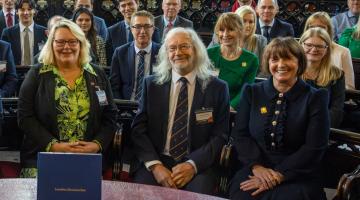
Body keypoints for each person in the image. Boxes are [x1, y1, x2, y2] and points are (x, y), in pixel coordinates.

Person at [131, 27, 230, 195]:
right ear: (166, 53)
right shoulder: (152, 84)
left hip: (198, 163)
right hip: (158, 159)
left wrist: (192, 165)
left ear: (196, 50)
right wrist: (155, 166)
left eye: (184, 46)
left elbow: (220, 135)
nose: (178, 52)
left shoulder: (218, 88)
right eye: (172, 48)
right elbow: (138, 130)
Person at [229, 37, 329, 200]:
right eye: (274, 59)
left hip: (299, 174)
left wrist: (279, 175)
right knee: (242, 193)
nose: (281, 65)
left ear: (299, 62)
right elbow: (240, 135)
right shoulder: (252, 92)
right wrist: (257, 167)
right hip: (255, 169)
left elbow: (315, 146)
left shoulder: (316, 98)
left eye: (288, 58)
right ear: (268, 63)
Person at [17, 19, 117, 178]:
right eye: (60, 41)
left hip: (88, 158)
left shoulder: (97, 75)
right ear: (51, 43)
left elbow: (110, 116)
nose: (66, 47)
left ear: (81, 44)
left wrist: (96, 145)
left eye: (72, 41)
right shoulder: (36, 74)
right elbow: (25, 117)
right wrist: (54, 146)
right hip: (42, 156)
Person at [207, 13, 259, 110]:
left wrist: (229, 107)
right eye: (222, 30)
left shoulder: (251, 60)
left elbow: (245, 89)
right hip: (207, 106)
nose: (225, 34)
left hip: (233, 110)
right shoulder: (208, 54)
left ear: (240, 31)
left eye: (230, 29)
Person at [300, 27, 345, 128]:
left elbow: (336, 110)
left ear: (327, 49)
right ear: (301, 45)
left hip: (323, 128)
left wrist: (318, 128)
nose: (314, 49)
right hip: (294, 126)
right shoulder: (292, 69)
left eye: (319, 46)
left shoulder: (336, 74)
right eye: (309, 45)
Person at [110, 10, 160, 100]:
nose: (142, 31)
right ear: (131, 29)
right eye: (137, 27)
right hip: (126, 106)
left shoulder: (163, 52)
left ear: (153, 29)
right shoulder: (120, 53)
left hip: (153, 106)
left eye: (147, 26)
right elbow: (114, 87)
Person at [303, 11, 355, 89]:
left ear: (329, 30)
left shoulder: (343, 52)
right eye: (312, 27)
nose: (317, 30)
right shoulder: (299, 49)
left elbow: (349, 86)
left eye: (321, 27)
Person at [106, 0, 160, 65]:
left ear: (137, 4)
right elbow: (110, 61)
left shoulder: (152, 30)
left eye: (130, 4)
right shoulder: (111, 31)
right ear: (119, 8)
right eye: (123, 5)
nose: (127, 8)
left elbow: (157, 54)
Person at [1, 0, 47, 66]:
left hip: (37, 74)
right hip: (15, 74)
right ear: (17, 12)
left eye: (29, 9)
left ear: (34, 11)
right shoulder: (7, 33)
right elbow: (2, 58)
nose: (26, 12)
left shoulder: (44, 32)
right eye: (22, 9)